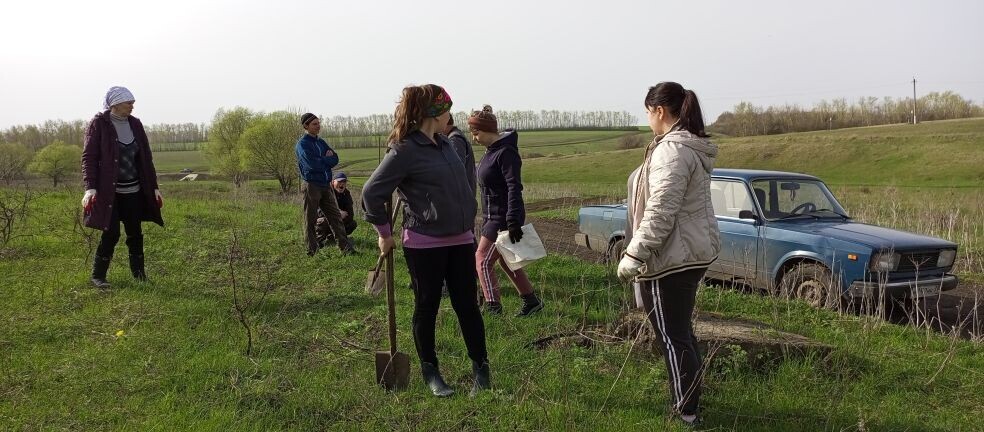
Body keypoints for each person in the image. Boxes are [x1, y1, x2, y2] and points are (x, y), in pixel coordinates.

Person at [361, 84, 490, 398]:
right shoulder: (403, 151)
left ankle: (481, 370)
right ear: (435, 110)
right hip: (424, 243)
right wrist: (384, 235)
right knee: (427, 306)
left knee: (468, 306)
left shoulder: (446, 145)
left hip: (461, 240)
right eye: (446, 106)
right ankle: (431, 371)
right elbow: (371, 193)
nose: (450, 111)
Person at [616, 82, 720, 427]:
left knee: (673, 337)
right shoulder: (681, 146)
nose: (647, 119)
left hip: (672, 257)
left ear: (659, 111)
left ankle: (686, 412)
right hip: (686, 251)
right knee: (681, 332)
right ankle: (688, 399)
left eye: (648, 112)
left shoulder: (672, 151)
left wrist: (635, 253)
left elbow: (660, 210)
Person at [81, 86, 164, 288]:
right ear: (115, 104)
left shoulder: (135, 124)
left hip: (134, 190)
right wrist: (90, 187)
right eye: (129, 103)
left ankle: (139, 275)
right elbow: (89, 158)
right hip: (110, 193)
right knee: (111, 233)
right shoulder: (99, 124)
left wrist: (154, 187)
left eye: (133, 103)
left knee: (135, 233)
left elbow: (146, 158)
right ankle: (98, 277)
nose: (132, 107)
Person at [468, 105, 543, 317]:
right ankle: (532, 302)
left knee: (482, 260)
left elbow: (514, 187)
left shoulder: (506, 153)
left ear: (487, 130)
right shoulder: (490, 152)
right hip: (491, 216)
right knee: (506, 259)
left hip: (501, 218)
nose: (474, 138)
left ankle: (493, 308)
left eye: (476, 133)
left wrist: (513, 220)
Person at [296, 113, 356, 256]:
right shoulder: (302, 144)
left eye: (319, 123)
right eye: (314, 124)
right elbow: (311, 165)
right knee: (310, 219)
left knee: (335, 217)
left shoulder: (321, 142)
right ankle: (312, 250)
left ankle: (345, 248)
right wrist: (325, 159)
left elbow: (335, 159)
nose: (318, 126)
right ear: (306, 126)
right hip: (312, 185)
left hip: (325, 185)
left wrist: (323, 160)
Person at [315, 172, 358, 248]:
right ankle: (318, 241)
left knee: (352, 223)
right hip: (326, 220)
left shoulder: (346, 194)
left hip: (339, 221)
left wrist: (341, 217)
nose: (342, 184)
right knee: (322, 221)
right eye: (339, 182)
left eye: (344, 182)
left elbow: (350, 214)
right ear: (333, 182)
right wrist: (338, 213)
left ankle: (333, 237)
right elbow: (320, 212)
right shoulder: (326, 192)